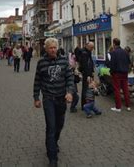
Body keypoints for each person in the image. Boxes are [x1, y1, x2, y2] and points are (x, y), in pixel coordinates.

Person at [33, 38, 74, 167]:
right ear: (46, 49)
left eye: (55, 47)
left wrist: (69, 92)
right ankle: (52, 158)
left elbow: (69, 78)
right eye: (50, 47)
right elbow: (37, 80)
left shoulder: (63, 61)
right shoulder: (41, 63)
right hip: (48, 98)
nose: (53, 50)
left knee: (59, 125)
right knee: (51, 127)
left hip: (61, 98)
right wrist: (36, 97)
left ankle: (53, 142)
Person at [109, 38, 131, 112]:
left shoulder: (114, 52)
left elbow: (112, 64)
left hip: (117, 73)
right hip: (125, 73)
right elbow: (129, 62)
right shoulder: (125, 52)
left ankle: (118, 107)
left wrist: (111, 72)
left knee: (117, 90)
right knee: (125, 89)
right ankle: (128, 106)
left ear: (114, 44)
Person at [78, 42, 95, 106]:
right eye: (91, 47)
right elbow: (85, 65)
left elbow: (90, 62)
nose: (92, 49)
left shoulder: (87, 52)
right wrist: (88, 75)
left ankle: (88, 103)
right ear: (87, 46)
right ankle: (85, 104)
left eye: (93, 47)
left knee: (88, 88)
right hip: (86, 74)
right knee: (86, 89)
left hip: (88, 73)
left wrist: (92, 71)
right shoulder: (84, 53)